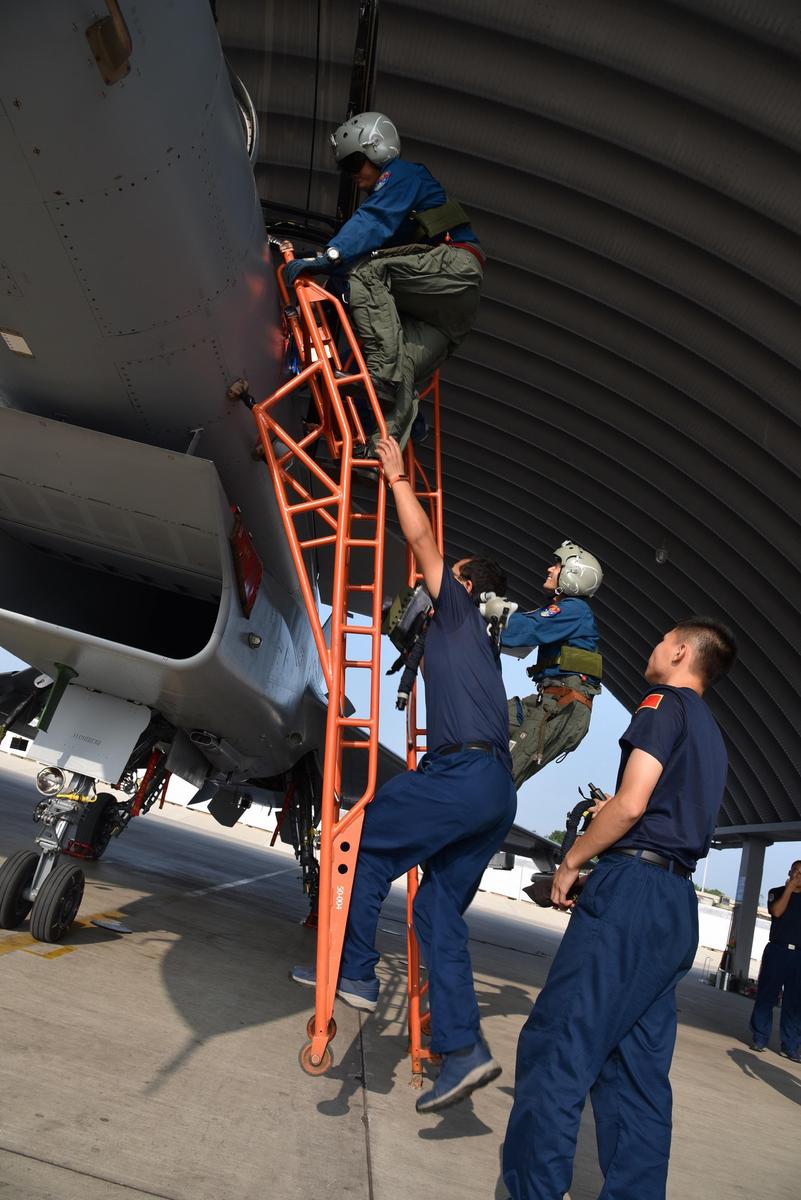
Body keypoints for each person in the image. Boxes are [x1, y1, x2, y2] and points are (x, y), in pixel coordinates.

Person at [292, 435, 516, 1114]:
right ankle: (462, 1050)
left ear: (467, 585)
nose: (428, 580)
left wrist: (393, 478)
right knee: (434, 911)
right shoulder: (476, 647)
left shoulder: (456, 610)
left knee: (357, 848)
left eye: (451, 573)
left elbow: (421, 541)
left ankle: (355, 972)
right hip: (494, 792)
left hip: (458, 774)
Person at [503, 615, 738, 1200]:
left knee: (559, 1047)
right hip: (674, 905)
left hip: (631, 893)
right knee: (637, 1076)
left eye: (662, 639)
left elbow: (632, 805)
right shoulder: (711, 732)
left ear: (682, 652)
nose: (653, 645)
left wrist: (572, 860)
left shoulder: (661, 705)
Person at [283, 111, 484, 451]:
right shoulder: (401, 217)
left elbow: (372, 221)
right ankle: (380, 455)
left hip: (455, 267)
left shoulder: (404, 176)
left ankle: (382, 380)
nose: (354, 176)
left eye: (355, 163)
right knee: (399, 363)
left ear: (377, 150)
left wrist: (328, 257)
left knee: (367, 275)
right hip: (448, 315)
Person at [502, 541, 603, 788]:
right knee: (487, 718)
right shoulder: (570, 612)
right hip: (550, 701)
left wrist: (478, 615)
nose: (549, 569)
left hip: (562, 705)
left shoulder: (574, 610)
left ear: (574, 574)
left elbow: (526, 629)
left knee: (503, 777)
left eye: (557, 565)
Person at [749, 860, 801, 1061]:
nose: (797, 875)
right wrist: (789, 889)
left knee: (795, 1003)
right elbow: (777, 912)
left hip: (799, 955)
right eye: (795, 871)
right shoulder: (776, 892)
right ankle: (760, 1037)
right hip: (777, 951)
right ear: (789, 872)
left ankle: (790, 1046)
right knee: (767, 996)